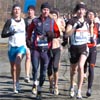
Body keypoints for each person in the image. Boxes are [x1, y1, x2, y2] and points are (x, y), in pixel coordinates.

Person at [27, 2, 60, 99]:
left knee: (43, 72)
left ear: (49, 11)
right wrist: (28, 40)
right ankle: (34, 83)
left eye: (47, 10)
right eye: (44, 9)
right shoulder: (35, 21)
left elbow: (58, 34)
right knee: (35, 69)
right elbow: (29, 31)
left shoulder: (52, 21)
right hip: (36, 50)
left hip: (46, 50)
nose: (46, 11)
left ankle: (39, 90)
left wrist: (52, 35)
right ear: (41, 11)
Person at [65, 3, 90, 99]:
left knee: (80, 66)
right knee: (73, 70)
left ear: (85, 11)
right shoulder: (72, 21)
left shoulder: (87, 21)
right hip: (74, 48)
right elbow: (67, 34)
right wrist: (75, 27)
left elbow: (91, 29)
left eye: (83, 9)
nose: (81, 11)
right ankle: (72, 86)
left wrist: (91, 37)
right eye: (79, 9)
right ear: (77, 11)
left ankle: (79, 91)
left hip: (84, 47)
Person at [1, 4, 26, 93]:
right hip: (12, 47)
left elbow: (29, 32)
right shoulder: (9, 21)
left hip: (21, 46)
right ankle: (14, 83)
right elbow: (3, 34)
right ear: (13, 11)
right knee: (13, 67)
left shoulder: (24, 21)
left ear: (20, 11)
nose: (16, 11)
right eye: (15, 9)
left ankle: (18, 82)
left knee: (18, 62)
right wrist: (10, 33)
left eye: (18, 9)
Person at [47, 8, 65, 95]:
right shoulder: (47, 24)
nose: (53, 17)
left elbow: (64, 33)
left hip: (57, 48)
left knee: (55, 67)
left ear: (57, 17)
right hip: (48, 48)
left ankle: (56, 85)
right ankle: (50, 84)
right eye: (52, 15)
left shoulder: (59, 23)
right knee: (49, 68)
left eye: (55, 15)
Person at [84, 10, 99, 97]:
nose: (91, 16)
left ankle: (89, 88)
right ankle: (83, 77)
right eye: (89, 14)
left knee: (91, 68)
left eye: (92, 14)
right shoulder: (83, 24)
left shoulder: (97, 25)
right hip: (84, 48)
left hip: (93, 48)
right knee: (83, 67)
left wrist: (96, 41)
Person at [24, 5, 36, 83]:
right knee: (28, 57)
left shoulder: (37, 20)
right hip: (28, 42)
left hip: (36, 43)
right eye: (29, 10)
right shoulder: (25, 21)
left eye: (31, 10)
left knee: (35, 60)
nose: (30, 11)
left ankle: (35, 75)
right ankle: (27, 75)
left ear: (34, 11)